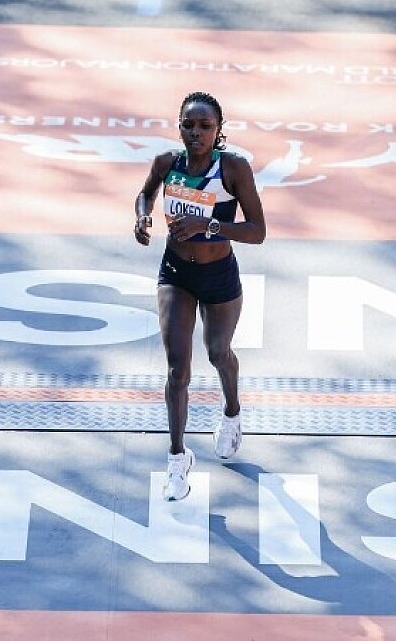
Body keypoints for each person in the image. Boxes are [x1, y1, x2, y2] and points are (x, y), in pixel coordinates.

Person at [133, 91, 266, 501]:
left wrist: (207, 226)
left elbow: (257, 231)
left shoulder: (233, 169)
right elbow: (145, 193)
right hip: (176, 272)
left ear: (218, 130)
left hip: (218, 274)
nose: (196, 132)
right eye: (188, 125)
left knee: (218, 353)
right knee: (177, 369)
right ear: (179, 127)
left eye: (205, 126)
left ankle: (231, 413)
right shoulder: (166, 164)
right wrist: (142, 216)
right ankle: (177, 459)